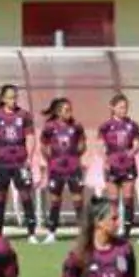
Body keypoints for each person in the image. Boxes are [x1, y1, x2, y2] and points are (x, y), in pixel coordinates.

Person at [0, 84, 38, 241]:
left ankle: (31, 233)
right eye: (9, 97)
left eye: (15, 97)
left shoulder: (24, 115)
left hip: (20, 162)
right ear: (3, 99)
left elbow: (30, 137)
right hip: (2, 163)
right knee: (0, 197)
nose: (13, 100)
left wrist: (29, 158)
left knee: (26, 195)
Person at [39, 97, 87, 241]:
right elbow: (43, 145)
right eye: (66, 110)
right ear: (58, 112)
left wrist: (77, 153)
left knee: (78, 199)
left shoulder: (76, 126)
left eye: (70, 110)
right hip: (56, 168)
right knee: (55, 200)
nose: (69, 112)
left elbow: (82, 143)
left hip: (73, 168)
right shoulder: (49, 127)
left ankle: (83, 233)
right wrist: (51, 159)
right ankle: (51, 233)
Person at [98, 92, 139, 232]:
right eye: (121, 107)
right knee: (113, 199)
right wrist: (105, 160)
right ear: (113, 108)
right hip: (112, 165)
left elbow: (136, 144)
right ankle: (114, 228)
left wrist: (133, 151)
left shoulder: (132, 125)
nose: (124, 110)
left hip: (128, 165)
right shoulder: (106, 126)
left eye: (125, 107)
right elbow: (101, 146)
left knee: (128, 197)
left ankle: (127, 229)